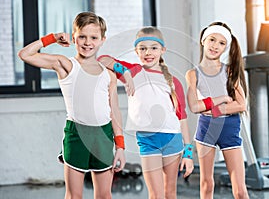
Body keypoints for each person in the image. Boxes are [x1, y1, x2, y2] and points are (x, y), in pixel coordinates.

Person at [18, 12, 131, 199]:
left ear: (102, 40)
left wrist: (120, 147)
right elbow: (25, 54)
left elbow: (114, 112)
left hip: (103, 136)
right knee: (74, 195)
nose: (88, 42)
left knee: (104, 195)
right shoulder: (66, 65)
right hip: (76, 134)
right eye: (82, 37)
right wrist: (52, 38)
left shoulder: (108, 75)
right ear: (73, 38)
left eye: (93, 37)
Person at [98, 26, 194, 199]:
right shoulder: (135, 71)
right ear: (136, 51)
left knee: (169, 192)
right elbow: (102, 59)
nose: (148, 52)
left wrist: (188, 153)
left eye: (153, 48)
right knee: (155, 194)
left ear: (162, 50)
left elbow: (182, 117)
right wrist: (125, 73)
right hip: (148, 140)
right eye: (142, 48)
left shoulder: (174, 82)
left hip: (172, 138)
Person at [185, 22, 249, 199]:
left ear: (226, 48)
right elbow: (194, 106)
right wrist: (223, 102)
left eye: (221, 43)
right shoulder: (193, 74)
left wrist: (214, 110)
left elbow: (241, 105)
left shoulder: (229, 71)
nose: (215, 46)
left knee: (240, 190)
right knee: (206, 184)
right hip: (206, 130)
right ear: (203, 40)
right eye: (212, 40)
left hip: (229, 128)